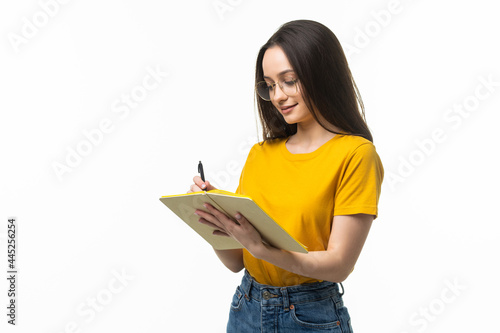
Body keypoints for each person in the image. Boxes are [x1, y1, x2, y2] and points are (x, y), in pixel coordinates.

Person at [188, 19, 384, 332]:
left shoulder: (356, 154)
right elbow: (237, 262)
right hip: (246, 307)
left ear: (322, 76)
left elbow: (339, 265)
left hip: (309, 316)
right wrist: (215, 221)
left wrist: (264, 250)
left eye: (289, 81)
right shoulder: (260, 154)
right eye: (270, 85)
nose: (278, 95)